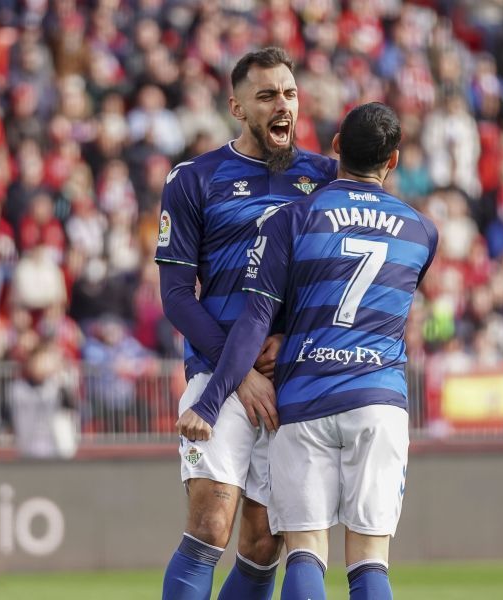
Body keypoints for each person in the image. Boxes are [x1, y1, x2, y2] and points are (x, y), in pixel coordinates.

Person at [183, 103, 438, 600]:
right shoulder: (422, 231)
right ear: (393, 160)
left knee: (304, 551)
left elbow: (255, 320)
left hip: (304, 401)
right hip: (378, 400)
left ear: (336, 146)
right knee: (369, 560)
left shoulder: (293, 219)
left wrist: (209, 403)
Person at [157, 47, 337, 600]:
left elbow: (333, 282)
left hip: (291, 381)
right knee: (210, 525)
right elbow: (176, 297)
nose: (283, 105)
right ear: (237, 108)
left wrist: (292, 342)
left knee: (262, 546)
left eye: (289, 93)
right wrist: (238, 373)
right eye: (267, 96)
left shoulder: (324, 178)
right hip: (218, 376)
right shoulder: (195, 178)